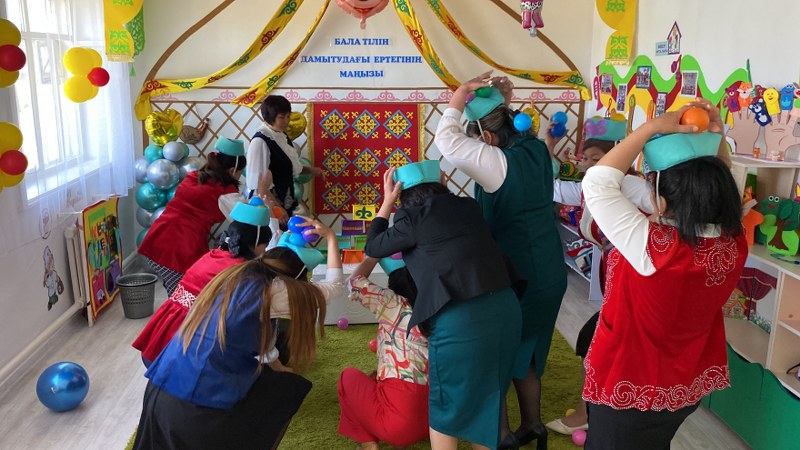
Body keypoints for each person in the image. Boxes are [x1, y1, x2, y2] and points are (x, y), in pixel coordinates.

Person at [580, 100, 747, 449]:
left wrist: (651, 128)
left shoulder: (655, 248)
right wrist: (714, 141)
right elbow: (722, 186)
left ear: (665, 201)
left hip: (632, 388)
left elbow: (597, 182)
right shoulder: (734, 241)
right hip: (683, 385)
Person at [132, 215, 344, 450]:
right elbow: (334, 288)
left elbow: (260, 339)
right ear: (293, 280)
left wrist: (279, 367)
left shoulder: (236, 274)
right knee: (284, 391)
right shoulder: (272, 291)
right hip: (192, 405)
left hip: (161, 386)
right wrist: (330, 237)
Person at [434, 71, 565, 450]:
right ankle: (534, 426)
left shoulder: (496, 161)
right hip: (550, 268)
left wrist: (460, 95)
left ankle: (502, 436)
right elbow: (501, 126)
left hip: (516, 272)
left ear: (487, 138)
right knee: (528, 348)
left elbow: (446, 139)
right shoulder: (535, 147)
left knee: (498, 354)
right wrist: (501, 102)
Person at [365, 160, 525, 450]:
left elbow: (373, 246)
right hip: (506, 307)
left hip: (461, 319)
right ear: (441, 182)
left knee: (445, 405)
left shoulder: (411, 218)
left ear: (402, 196)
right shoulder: (469, 207)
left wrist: (387, 203)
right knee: (487, 398)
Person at [546, 126, 652, 436]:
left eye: (599, 158)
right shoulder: (588, 188)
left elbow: (662, 207)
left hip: (636, 282)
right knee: (600, 346)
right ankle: (606, 410)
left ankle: (589, 413)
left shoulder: (630, 186)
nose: (591, 164)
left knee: (593, 344)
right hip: (616, 279)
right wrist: (550, 144)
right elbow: (550, 187)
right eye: (587, 159)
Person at [132, 198, 273, 367]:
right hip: (178, 347)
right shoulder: (239, 271)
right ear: (254, 243)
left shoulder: (215, 255)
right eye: (264, 247)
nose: (264, 252)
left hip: (159, 337)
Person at [338, 256, 429, 450]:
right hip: (434, 423)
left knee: (348, 377)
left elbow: (353, 282)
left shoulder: (394, 303)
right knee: (373, 379)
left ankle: (368, 443)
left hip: (397, 425)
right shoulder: (439, 308)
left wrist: (372, 257)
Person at [138, 137, 246, 296]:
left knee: (180, 294)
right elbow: (246, 217)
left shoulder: (196, 176)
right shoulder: (225, 191)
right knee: (185, 298)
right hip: (179, 249)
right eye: (240, 173)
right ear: (232, 171)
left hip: (157, 238)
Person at [246, 95, 324, 227]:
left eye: (288, 116)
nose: (286, 121)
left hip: (285, 203)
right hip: (270, 208)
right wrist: (276, 207)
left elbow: (287, 167)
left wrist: (312, 170)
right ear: (269, 117)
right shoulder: (260, 141)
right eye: (282, 117)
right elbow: (259, 184)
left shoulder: (281, 136)